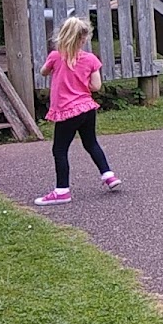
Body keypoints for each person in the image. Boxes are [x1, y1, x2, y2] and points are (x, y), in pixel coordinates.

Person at [34, 17, 121, 206]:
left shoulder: (56, 56)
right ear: (84, 39)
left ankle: (62, 190)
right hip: (87, 108)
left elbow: (43, 72)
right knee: (91, 142)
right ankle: (108, 175)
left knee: (59, 149)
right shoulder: (90, 59)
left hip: (67, 111)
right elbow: (96, 86)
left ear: (62, 36)